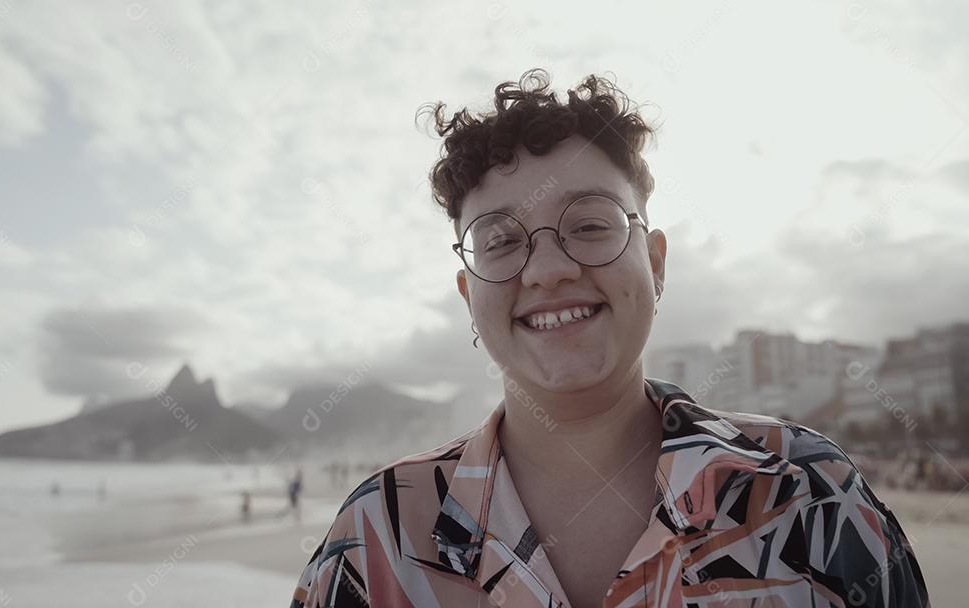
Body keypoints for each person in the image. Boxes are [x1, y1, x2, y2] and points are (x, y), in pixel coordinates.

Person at [291, 68, 929, 607]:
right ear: (469, 294)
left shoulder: (807, 492)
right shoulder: (379, 535)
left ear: (654, 263)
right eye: (502, 240)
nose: (547, 270)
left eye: (590, 225)